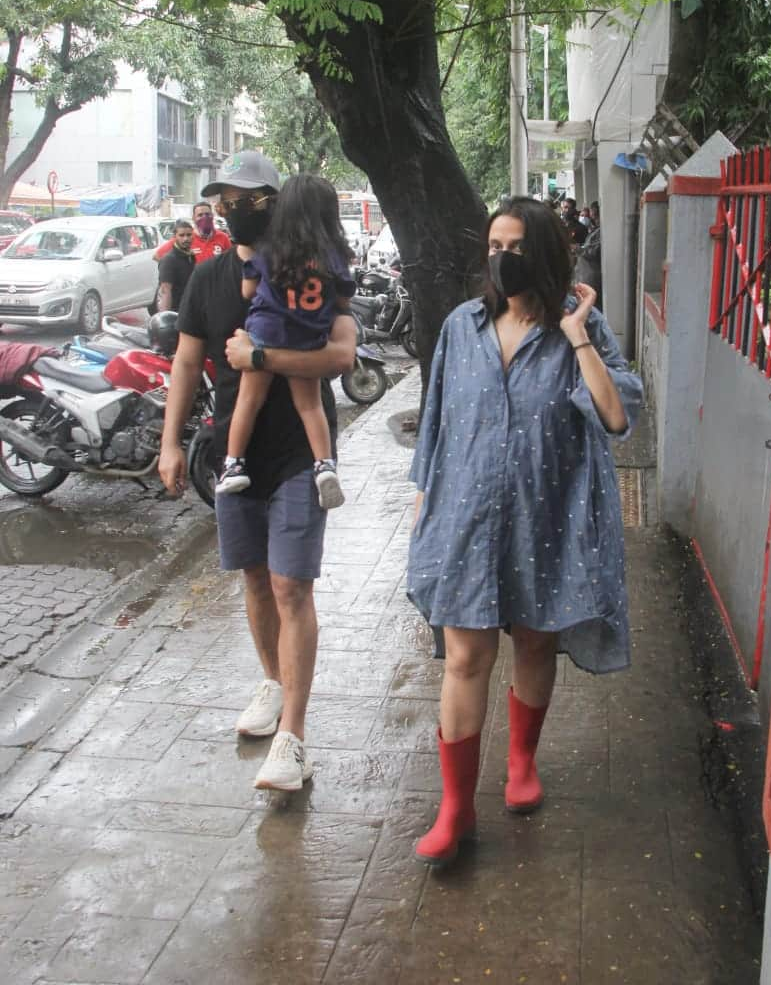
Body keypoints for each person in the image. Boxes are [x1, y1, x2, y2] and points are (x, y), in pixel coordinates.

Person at [407, 196, 642, 866]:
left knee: (535, 645)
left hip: (548, 517)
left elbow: (616, 416)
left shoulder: (580, 328)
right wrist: (426, 507)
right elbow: (437, 422)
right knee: (463, 658)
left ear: (542, 255)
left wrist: (576, 333)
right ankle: (454, 809)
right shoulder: (463, 326)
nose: (499, 258)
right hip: (466, 517)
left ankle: (521, 761)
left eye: (513, 247)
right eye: (492, 245)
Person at [158, 149, 356, 794]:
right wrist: (171, 443)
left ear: (275, 203)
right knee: (252, 578)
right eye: (224, 199)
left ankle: (294, 737)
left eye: (245, 199)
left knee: (291, 586)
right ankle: (273, 683)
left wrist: (263, 354)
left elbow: (341, 356)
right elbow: (188, 365)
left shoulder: (313, 267)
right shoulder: (209, 277)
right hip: (231, 454)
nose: (230, 209)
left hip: (299, 450)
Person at [215, 173, 355, 508]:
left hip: (265, 335)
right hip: (308, 339)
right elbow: (344, 301)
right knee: (310, 406)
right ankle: (324, 466)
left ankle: (234, 464)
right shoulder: (331, 257)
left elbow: (248, 290)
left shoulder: (269, 250)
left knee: (248, 401)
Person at [153, 200, 232, 264]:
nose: (205, 218)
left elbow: (230, 262)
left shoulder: (223, 237)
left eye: (207, 214)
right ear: (193, 218)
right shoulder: (185, 237)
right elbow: (157, 256)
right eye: (200, 215)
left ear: (212, 216)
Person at [156, 220, 195, 313]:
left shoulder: (191, 256)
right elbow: (165, 291)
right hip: (176, 312)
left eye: (189, 235)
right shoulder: (169, 259)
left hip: (190, 311)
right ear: (175, 237)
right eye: (181, 235)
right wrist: (165, 316)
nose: (186, 239)